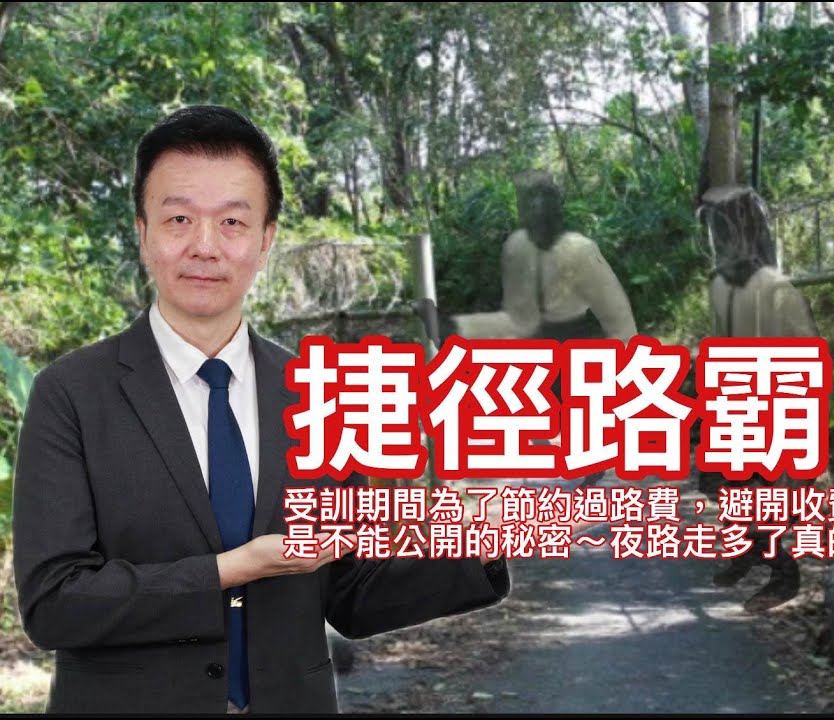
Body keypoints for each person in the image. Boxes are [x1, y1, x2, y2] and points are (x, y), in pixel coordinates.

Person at [12, 106, 512, 714]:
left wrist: (478, 543)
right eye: (178, 219)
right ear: (143, 232)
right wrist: (230, 569)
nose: (204, 246)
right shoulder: (71, 393)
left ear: (265, 240)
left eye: (232, 222)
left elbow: (351, 590)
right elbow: (54, 603)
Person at [419, 170, 638, 486]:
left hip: (574, 335)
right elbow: (518, 315)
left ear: (556, 206)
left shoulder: (581, 251)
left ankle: (590, 455)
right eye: (527, 203)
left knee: (576, 396)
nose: (534, 210)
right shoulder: (517, 247)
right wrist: (459, 328)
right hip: (534, 335)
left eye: (542, 201)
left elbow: (615, 311)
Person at [695, 184, 820, 614]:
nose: (721, 242)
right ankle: (747, 553)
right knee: (725, 487)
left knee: (762, 494)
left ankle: (784, 572)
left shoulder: (777, 288)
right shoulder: (719, 286)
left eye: (727, 232)